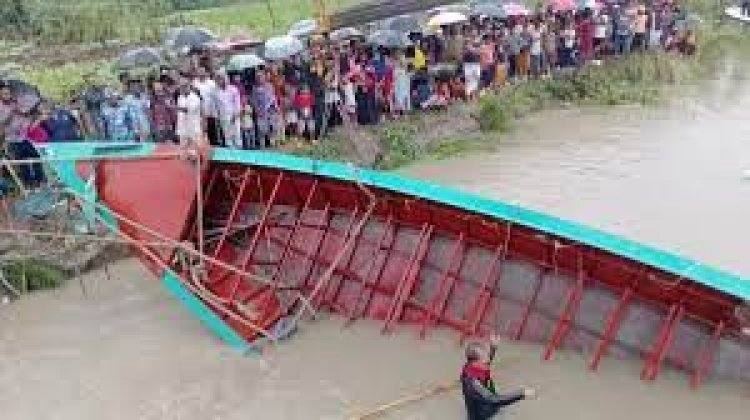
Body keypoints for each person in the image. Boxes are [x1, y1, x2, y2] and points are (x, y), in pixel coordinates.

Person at [461, 336, 535, 420]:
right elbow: (494, 399)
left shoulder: (471, 366)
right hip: (481, 414)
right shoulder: (474, 383)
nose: (488, 360)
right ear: (475, 361)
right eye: (485, 358)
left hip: (482, 403)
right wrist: (522, 393)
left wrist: (493, 347)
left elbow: (487, 362)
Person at [214, 73, 242, 149]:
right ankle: (231, 154)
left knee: (237, 135)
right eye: (220, 79)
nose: (222, 81)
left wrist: (236, 114)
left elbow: (237, 103)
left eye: (224, 79)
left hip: (234, 116)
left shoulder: (233, 89)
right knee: (227, 137)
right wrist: (217, 118)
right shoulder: (216, 92)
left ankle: (239, 152)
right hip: (223, 117)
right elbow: (216, 106)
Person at [175, 81, 203, 147]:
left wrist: (176, 108)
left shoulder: (195, 97)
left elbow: (190, 110)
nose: (182, 89)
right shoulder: (179, 97)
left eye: (185, 86)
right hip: (182, 128)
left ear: (189, 87)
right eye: (181, 87)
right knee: (182, 148)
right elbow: (179, 113)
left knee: (195, 148)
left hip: (193, 127)